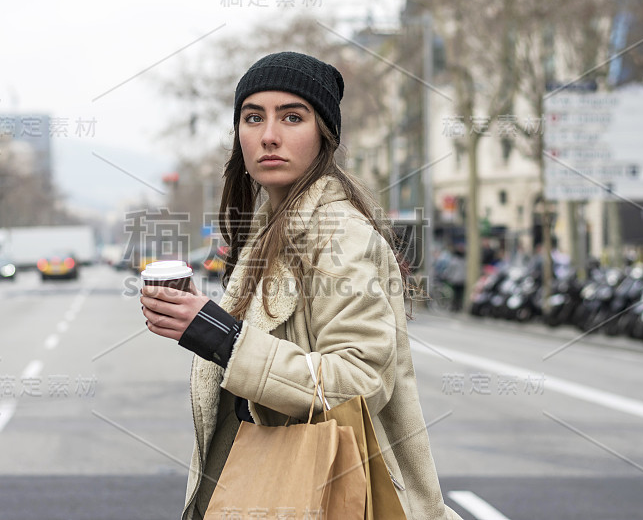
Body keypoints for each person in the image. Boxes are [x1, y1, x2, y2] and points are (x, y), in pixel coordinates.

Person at [140, 51, 462, 520]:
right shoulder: (269, 231)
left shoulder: (339, 234)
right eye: (253, 117)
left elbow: (358, 383)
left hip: (332, 492)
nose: (269, 135)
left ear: (324, 136)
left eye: (293, 116)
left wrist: (221, 338)